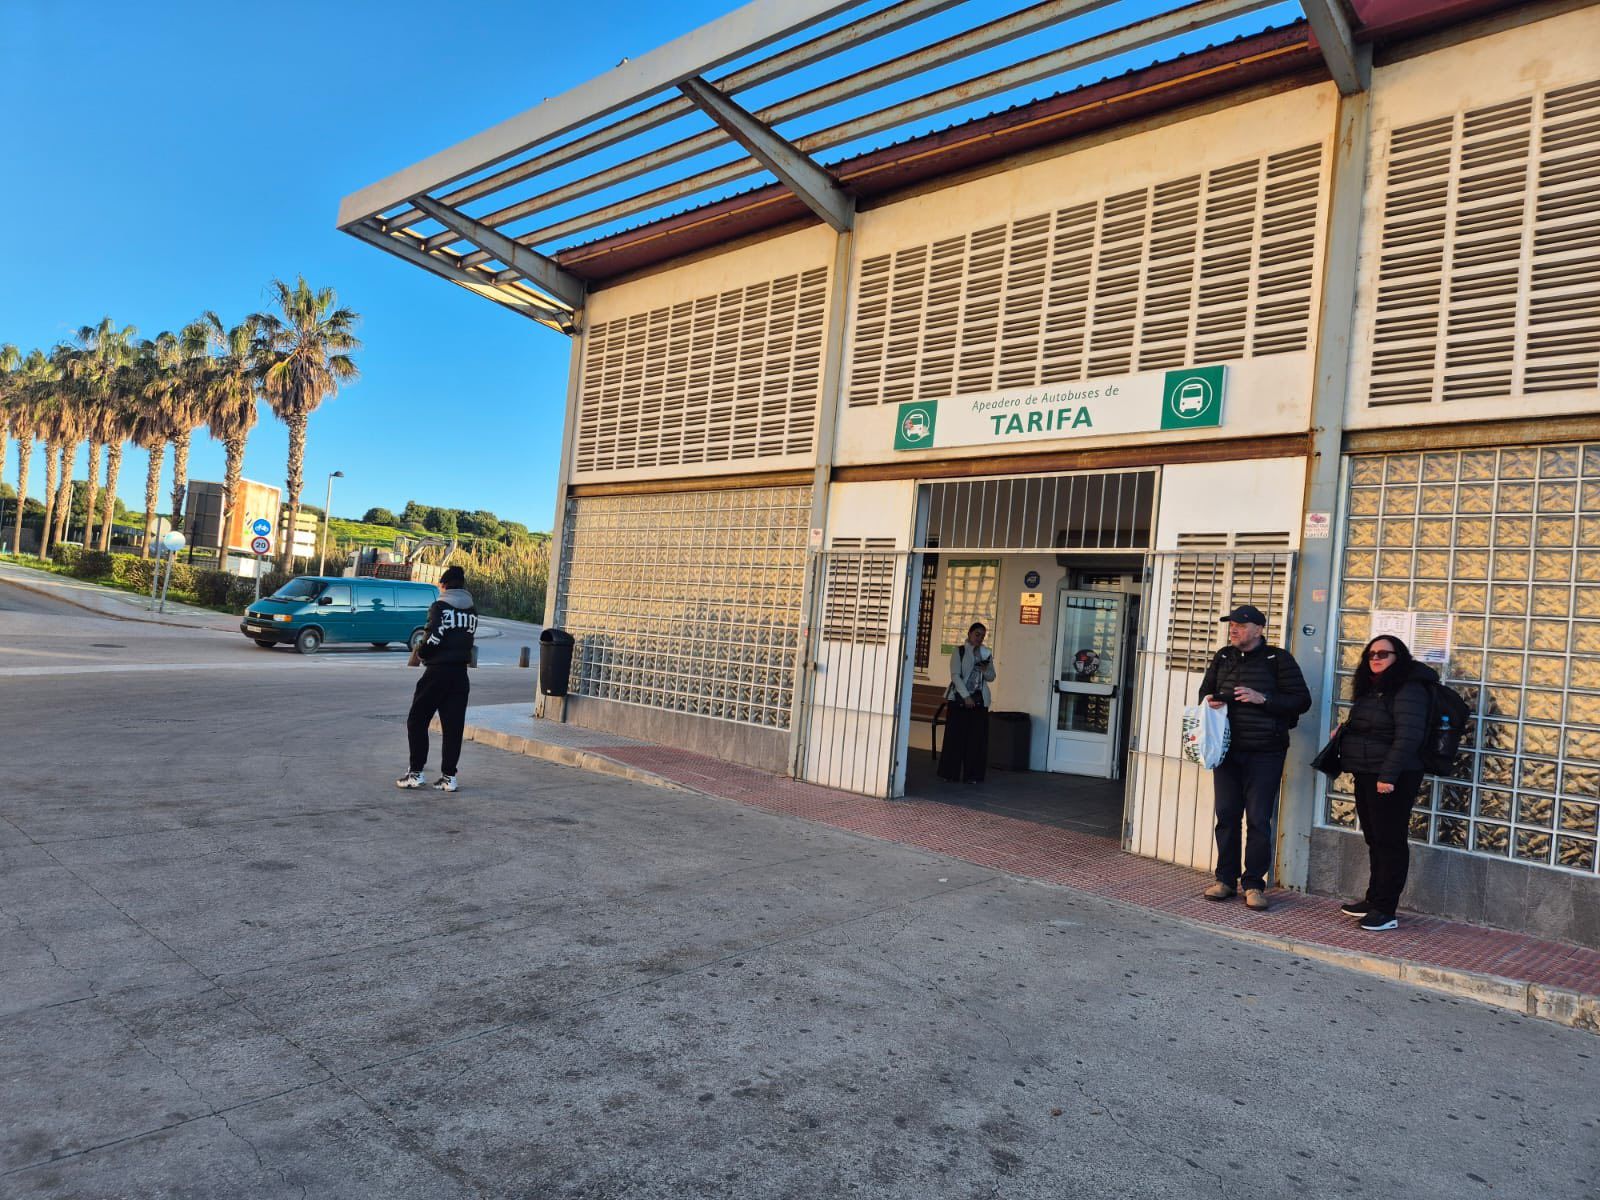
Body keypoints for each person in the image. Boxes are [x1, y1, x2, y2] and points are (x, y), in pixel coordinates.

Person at [1198, 604, 1311, 911]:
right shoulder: (1223, 656)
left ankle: (1254, 885)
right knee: (1227, 815)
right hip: (1226, 751)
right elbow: (1205, 693)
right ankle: (1225, 880)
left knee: (1259, 819)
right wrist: (1211, 701)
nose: (1233, 630)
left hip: (1266, 752)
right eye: (1231, 625)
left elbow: (1302, 701)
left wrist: (1264, 699)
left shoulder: (1279, 659)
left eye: (1241, 625)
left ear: (1259, 629)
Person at [1334, 635, 1434, 932]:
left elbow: (1408, 737)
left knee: (1390, 841)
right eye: (1371, 654)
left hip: (1394, 776)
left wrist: (1388, 777)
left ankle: (1386, 909)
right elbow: (1371, 728)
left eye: (1384, 654)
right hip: (1367, 772)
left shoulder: (1409, 688)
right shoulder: (1374, 688)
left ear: (1398, 657)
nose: (1376, 658)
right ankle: (1374, 899)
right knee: (1374, 838)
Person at [397, 565, 478, 792]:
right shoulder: (472, 610)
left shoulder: (440, 606)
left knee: (417, 719)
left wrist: (421, 653)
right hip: (460, 674)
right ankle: (449, 777)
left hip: (437, 672)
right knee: (453, 727)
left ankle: (415, 773)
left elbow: (433, 637)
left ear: (444, 584)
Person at [939, 622, 996, 784]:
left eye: (983, 635)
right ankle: (949, 773)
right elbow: (955, 675)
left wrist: (986, 670)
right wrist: (966, 696)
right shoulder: (960, 651)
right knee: (955, 737)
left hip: (979, 699)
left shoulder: (986, 653)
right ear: (970, 634)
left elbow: (991, 677)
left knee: (976, 739)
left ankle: (973, 775)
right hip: (960, 699)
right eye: (977, 634)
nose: (980, 638)